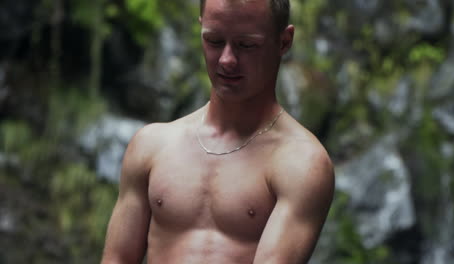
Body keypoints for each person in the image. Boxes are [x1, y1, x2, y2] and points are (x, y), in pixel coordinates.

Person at [100, 0, 335, 263]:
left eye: (246, 45)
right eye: (214, 41)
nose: (226, 60)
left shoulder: (301, 163)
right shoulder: (151, 145)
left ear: (283, 41)